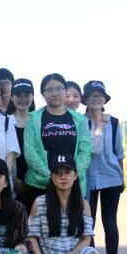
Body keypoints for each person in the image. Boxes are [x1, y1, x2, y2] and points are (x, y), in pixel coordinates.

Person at [23, 73, 91, 210]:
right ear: (43, 94)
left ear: (65, 91)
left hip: (72, 186)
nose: (54, 93)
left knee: (72, 222)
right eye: (49, 89)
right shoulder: (33, 119)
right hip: (40, 185)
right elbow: (30, 151)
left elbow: (86, 150)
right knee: (40, 222)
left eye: (59, 88)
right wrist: (51, 177)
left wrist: (71, 176)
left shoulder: (80, 120)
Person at [83, 80, 124, 254]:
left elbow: (119, 152)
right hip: (89, 178)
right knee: (88, 222)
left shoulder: (113, 122)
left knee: (110, 220)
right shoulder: (80, 121)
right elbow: (90, 149)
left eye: (99, 95)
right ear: (85, 99)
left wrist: (122, 177)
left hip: (111, 177)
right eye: (92, 95)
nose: (96, 98)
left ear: (105, 99)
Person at [11, 78, 36, 200]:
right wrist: (13, 179)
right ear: (12, 97)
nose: (23, 99)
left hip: (36, 180)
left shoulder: (38, 121)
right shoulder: (6, 122)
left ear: (33, 97)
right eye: (18, 95)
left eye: (27, 95)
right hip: (12, 180)